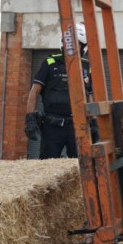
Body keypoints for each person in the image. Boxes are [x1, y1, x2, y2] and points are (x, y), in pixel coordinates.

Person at [25, 23, 91, 159]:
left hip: (78, 127)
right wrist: (30, 118)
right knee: (47, 166)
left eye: (77, 44)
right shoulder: (50, 62)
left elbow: (90, 96)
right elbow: (34, 91)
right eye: (69, 44)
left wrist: (94, 123)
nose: (71, 47)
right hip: (52, 126)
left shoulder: (86, 66)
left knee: (82, 164)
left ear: (83, 46)